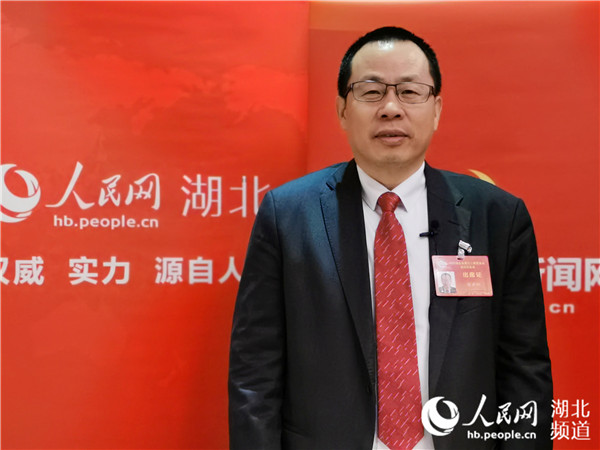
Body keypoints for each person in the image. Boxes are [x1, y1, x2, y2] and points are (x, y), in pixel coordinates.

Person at [229, 26, 552, 450]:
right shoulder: (288, 215)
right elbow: (255, 371)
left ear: (436, 109)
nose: (391, 108)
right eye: (371, 91)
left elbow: (524, 370)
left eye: (410, 92)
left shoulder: (497, 217)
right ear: (342, 110)